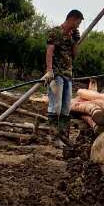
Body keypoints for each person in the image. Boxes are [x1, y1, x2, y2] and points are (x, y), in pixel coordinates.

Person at [43, 9, 84, 142]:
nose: (78, 26)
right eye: (78, 23)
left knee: (66, 107)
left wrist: (75, 41)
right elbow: (49, 52)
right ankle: (54, 138)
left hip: (68, 75)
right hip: (56, 74)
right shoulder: (55, 32)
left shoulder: (72, 35)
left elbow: (74, 55)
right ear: (72, 19)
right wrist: (49, 70)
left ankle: (64, 137)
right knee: (55, 105)